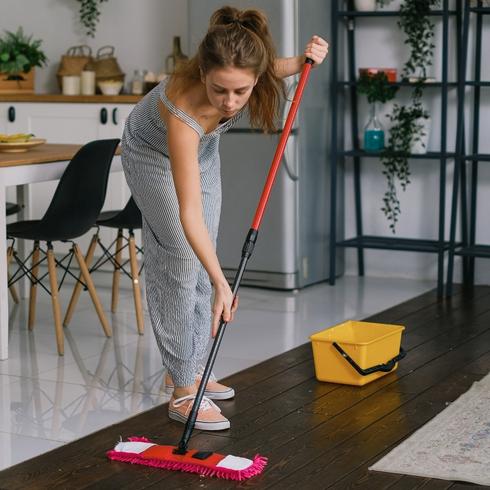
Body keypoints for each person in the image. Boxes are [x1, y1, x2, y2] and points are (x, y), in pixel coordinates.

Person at [121, 5, 328, 431]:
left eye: (242, 92)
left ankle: (192, 368)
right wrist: (222, 281)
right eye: (220, 91)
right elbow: (189, 211)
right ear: (203, 74)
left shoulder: (244, 71)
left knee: (203, 258)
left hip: (204, 152)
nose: (231, 102)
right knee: (181, 257)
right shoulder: (183, 113)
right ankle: (182, 391)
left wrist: (308, 56)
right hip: (152, 154)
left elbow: (276, 67)